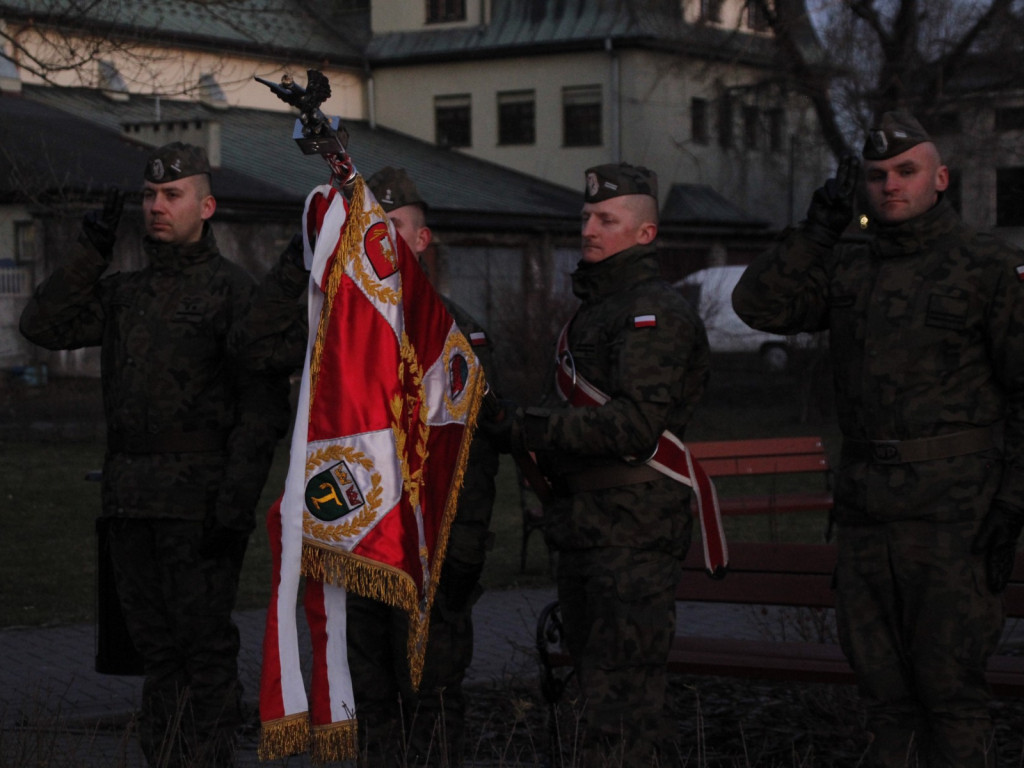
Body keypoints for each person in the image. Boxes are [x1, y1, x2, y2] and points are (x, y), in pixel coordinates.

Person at [731, 111, 1024, 767]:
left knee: (952, 700)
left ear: (940, 178)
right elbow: (758, 306)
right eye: (876, 175)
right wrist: (815, 232)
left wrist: (1013, 502)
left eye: (906, 171)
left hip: (955, 519)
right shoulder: (849, 266)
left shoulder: (988, 267)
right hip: (868, 517)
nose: (891, 185)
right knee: (885, 700)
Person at [19, 142, 290, 768]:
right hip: (130, 500)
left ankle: (208, 758)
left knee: (203, 653)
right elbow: (42, 325)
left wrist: (236, 502)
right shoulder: (125, 293)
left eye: (171, 195)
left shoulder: (233, 293)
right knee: (154, 655)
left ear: (207, 206)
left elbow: (261, 408)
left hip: (199, 506)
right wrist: (90, 250)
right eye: (148, 195)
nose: (155, 206)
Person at [234, 166, 501, 766]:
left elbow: (473, 456)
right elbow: (253, 346)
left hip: (430, 559)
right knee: (367, 709)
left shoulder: (451, 331)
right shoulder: (332, 331)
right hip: (358, 555)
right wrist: (307, 247)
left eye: (391, 228)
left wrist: (462, 555)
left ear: (422, 239)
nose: (376, 241)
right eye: (363, 229)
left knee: (429, 710)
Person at [492, 162, 711, 765]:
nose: (588, 228)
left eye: (606, 219)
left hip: (633, 535)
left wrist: (525, 427)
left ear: (644, 234)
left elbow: (634, 427)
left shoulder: (652, 312)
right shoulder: (592, 311)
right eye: (587, 215)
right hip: (589, 528)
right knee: (601, 698)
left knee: (623, 706)